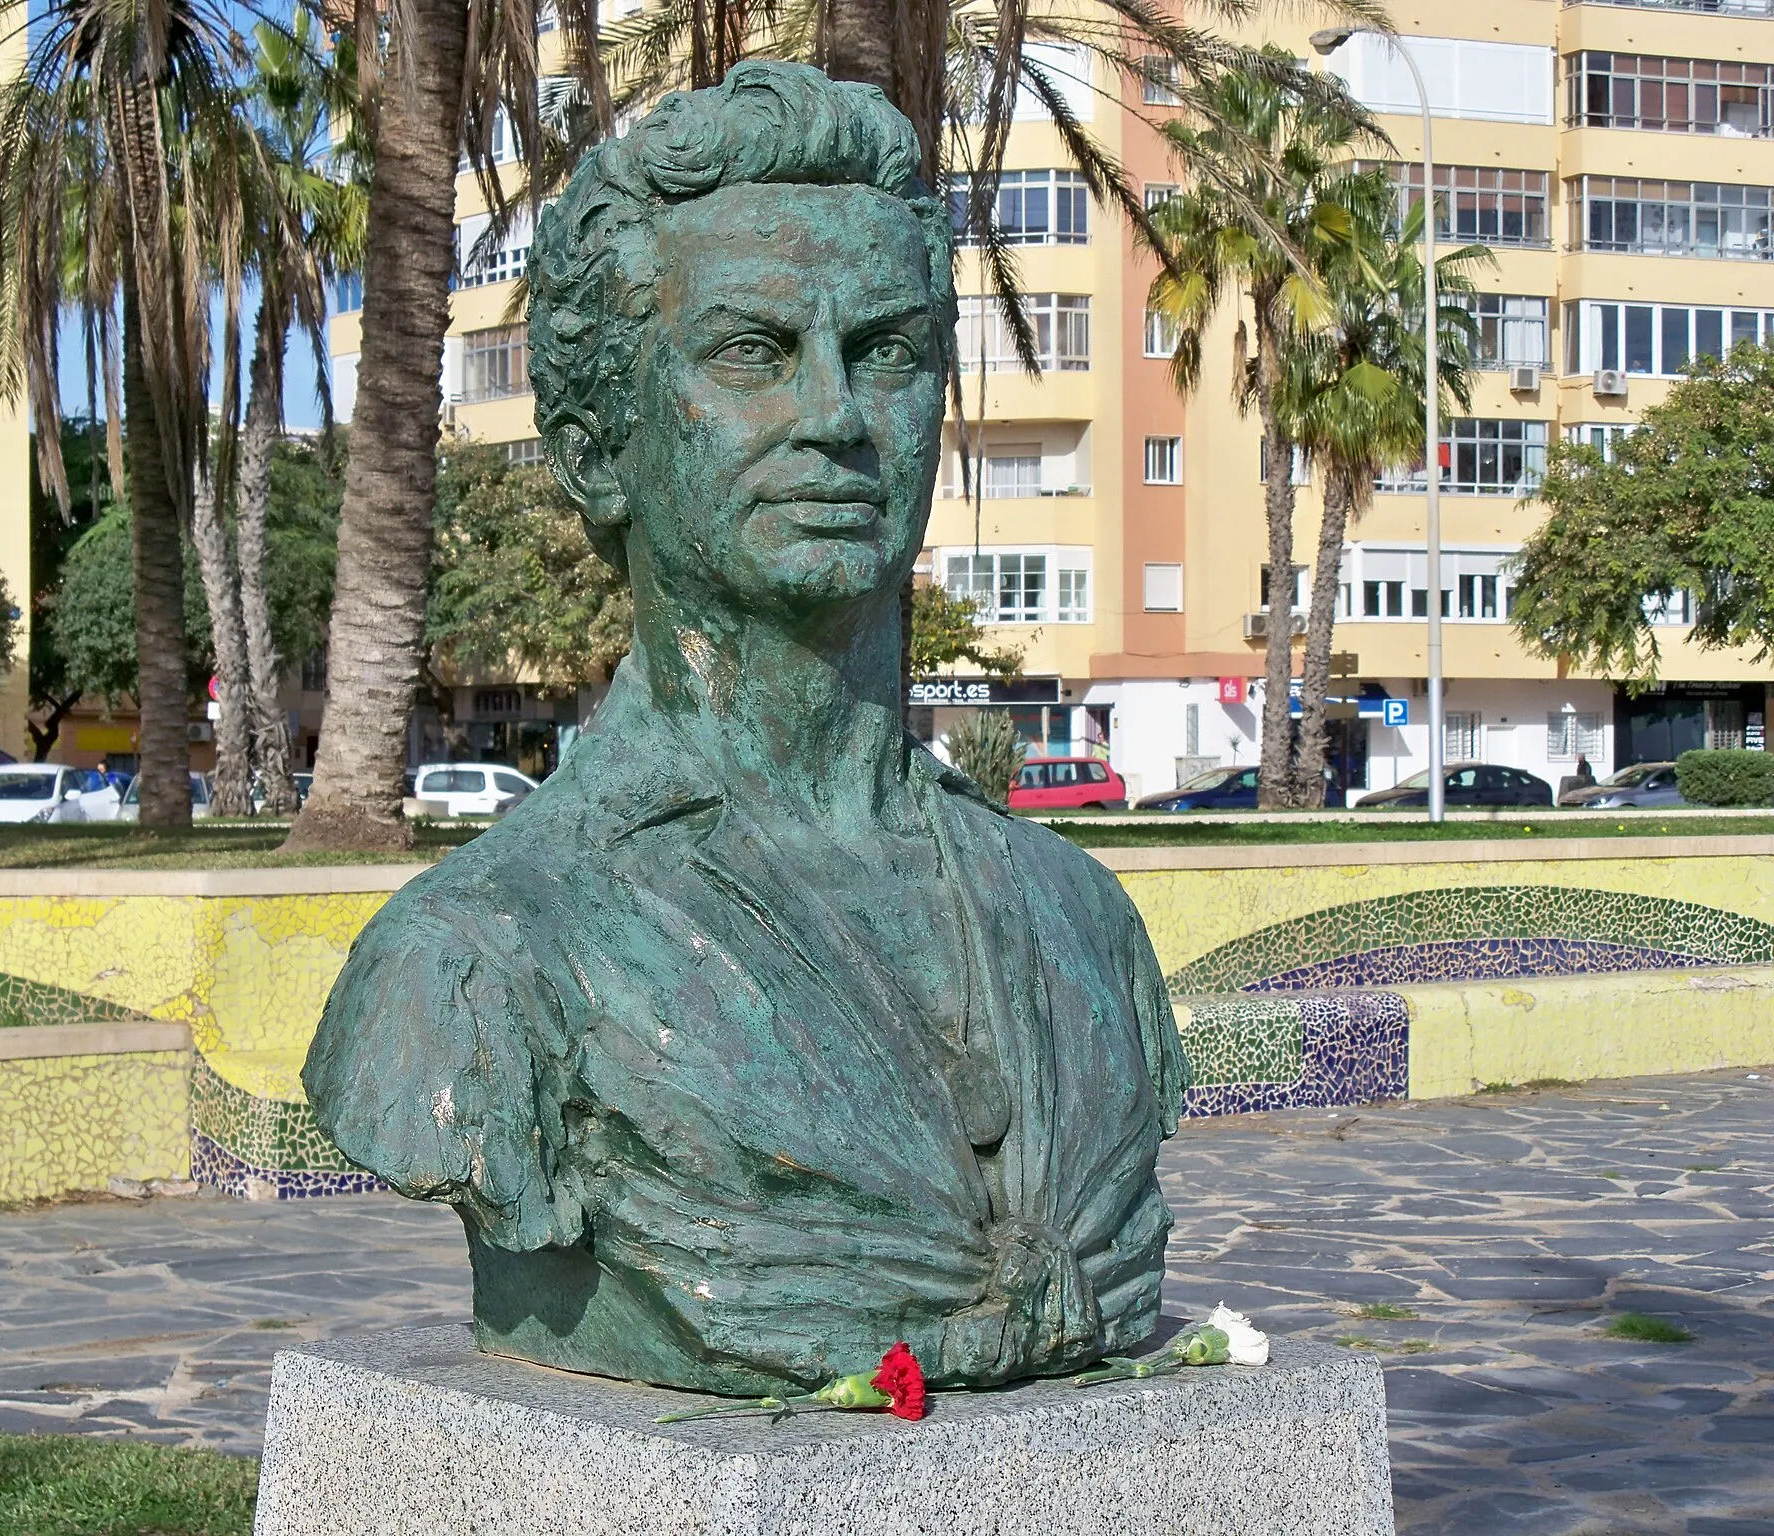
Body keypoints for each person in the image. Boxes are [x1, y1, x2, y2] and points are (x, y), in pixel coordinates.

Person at [304, 63, 1188, 1397]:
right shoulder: (477, 961)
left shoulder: (1082, 920)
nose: (834, 415)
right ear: (602, 447)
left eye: (885, 351)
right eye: (751, 354)